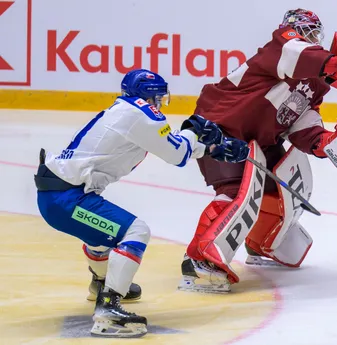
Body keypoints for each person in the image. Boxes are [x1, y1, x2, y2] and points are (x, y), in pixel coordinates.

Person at [178, 9, 337, 293]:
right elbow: (300, 53)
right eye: (309, 32)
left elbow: (301, 123)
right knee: (234, 191)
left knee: (280, 190)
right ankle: (198, 263)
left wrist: (332, 143)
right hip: (221, 127)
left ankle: (261, 244)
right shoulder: (282, 45)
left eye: (317, 34)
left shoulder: (314, 82)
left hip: (261, 140)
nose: (314, 39)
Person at [34, 68, 249, 337]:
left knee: (102, 237)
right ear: (151, 97)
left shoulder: (126, 111)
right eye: (159, 98)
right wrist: (196, 132)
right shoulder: (142, 113)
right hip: (66, 200)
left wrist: (212, 149)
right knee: (135, 232)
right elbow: (177, 153)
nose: (160, 104)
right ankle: (108, 310)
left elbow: (170, 145)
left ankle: (100, 284)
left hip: (57, 196)